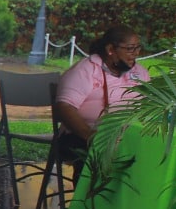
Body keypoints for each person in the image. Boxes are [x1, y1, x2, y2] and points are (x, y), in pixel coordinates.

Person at [54, 25, 150, 179]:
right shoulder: (86, 70)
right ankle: (89, 194)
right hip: (82, 136)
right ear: (110, 49)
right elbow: (64, 107)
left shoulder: (140, 72)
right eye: (130, 48)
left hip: (128, 135)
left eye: (138, 48)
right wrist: (91, 137)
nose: (136, 53)